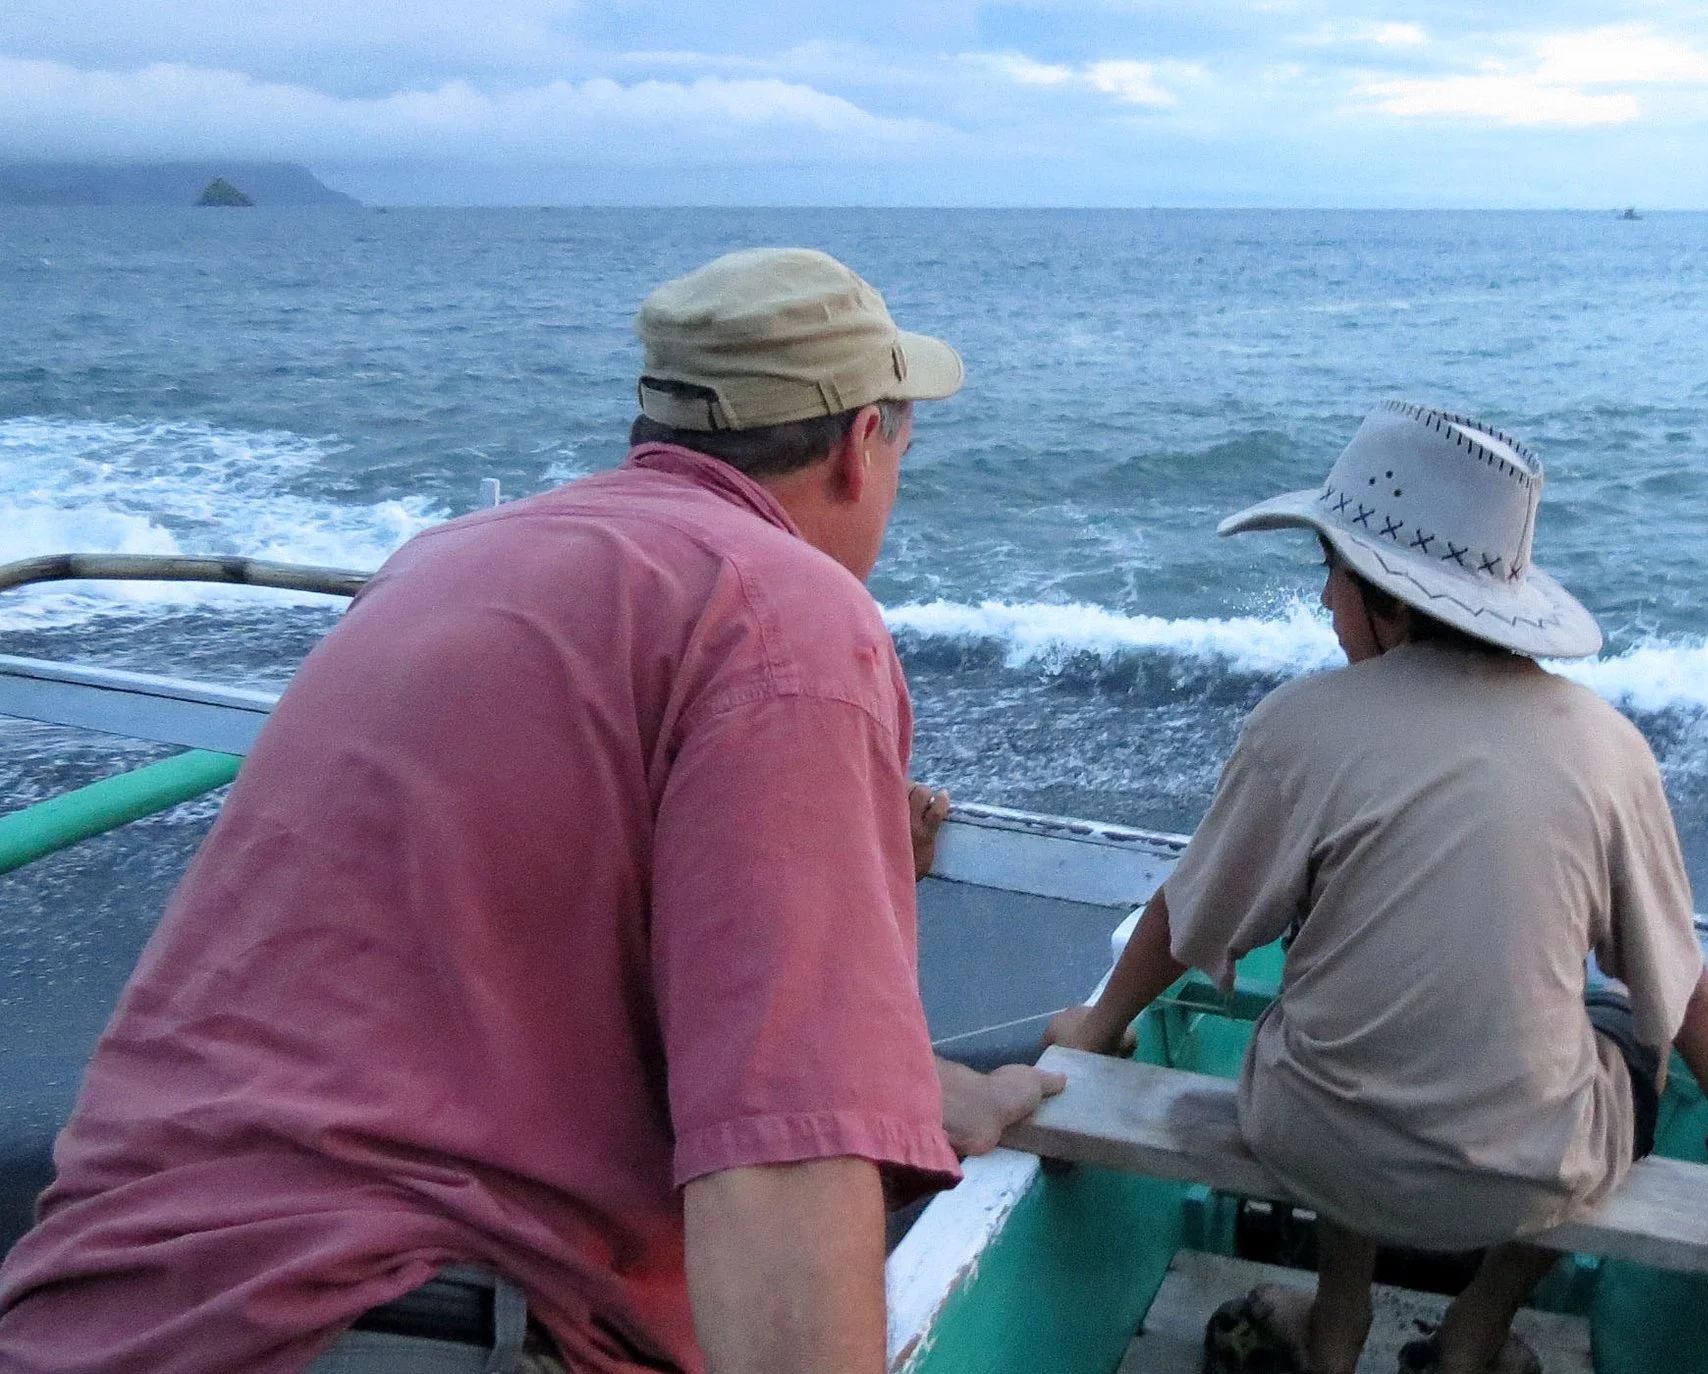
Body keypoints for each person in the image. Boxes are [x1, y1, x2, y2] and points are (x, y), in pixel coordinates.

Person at [0, 248, 1060, 1374]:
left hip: (99, 1303)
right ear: (862, 446)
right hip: (404, 1319)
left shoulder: (443, 563)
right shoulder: (782, 613)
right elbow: (782, 1154)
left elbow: (487, 973)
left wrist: (909, 1084)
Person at [1045, 401, 1708, 1374]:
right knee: (1629, 1035)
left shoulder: (1298, 726)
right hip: (1529, 1176)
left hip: (1310, 1141)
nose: (1324, 598)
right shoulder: (1609, 749)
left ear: (1391, 601)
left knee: (1332, 992)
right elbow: (1676, 977)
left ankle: (1338, 1319)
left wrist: (1101, 1022)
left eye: (1331, 570)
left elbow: (1187, 915)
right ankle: (1478, 1326)